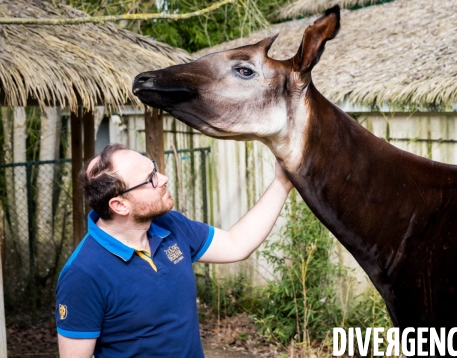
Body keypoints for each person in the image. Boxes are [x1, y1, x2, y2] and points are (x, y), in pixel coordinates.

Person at [55, 143, 293, 358]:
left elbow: (236, 243)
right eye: (150, 179)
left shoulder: (170, 225)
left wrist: (282, 182)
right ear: (119, 205)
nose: (164, 178)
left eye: (155, 169)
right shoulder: (82, 275)